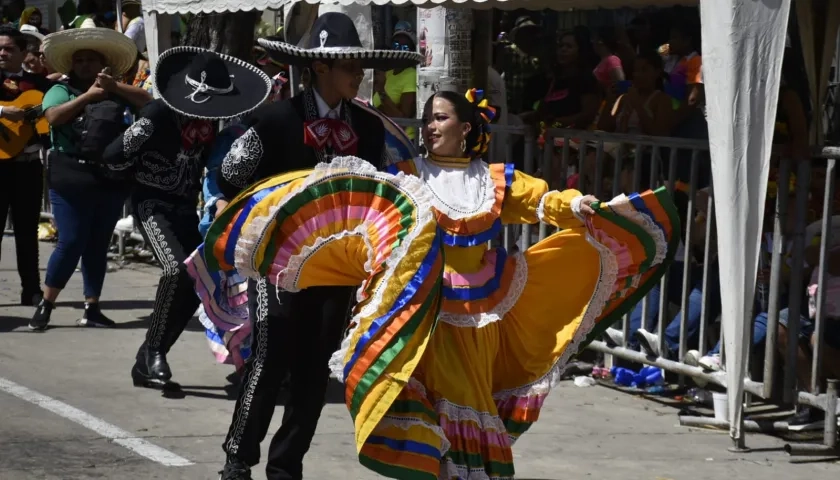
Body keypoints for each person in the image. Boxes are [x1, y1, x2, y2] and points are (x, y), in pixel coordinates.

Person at [189, 86, 678, 479]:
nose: (430, 126)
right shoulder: (404, 176)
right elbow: (369, 217)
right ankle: (250, 460)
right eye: (427, 119)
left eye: (441, 118)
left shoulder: (496, 180)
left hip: (480, 312)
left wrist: (580, 206)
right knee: (417, 401)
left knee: (468, 403)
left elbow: (544, 201)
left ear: (467, 128)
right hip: (421, 310)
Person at [206, 12, 421, 480]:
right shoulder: (274, 118)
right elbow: (231, 176)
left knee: (314, 369)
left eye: (360, 67)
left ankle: (287, 466)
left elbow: (378, 189)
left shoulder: (367, 128)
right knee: (269, 357)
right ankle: (238, 458)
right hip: (279, 264)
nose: (359, 75)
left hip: (339, 267)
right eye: (349, 66)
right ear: (320, 68)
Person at [96, 46, 271, 388]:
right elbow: (113, 157)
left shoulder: (212, 121)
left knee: (197, 280)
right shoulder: (157, 115)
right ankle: (152, 356)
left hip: (184, 208)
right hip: (152, 206)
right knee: (176, 270)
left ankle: (151, 354)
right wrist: (144, 173)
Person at [28, 19, 151, 330]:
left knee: (97, 244)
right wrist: (87, 97)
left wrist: (113, 88)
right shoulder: (59, 89)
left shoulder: (115, 90)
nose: (84, 65)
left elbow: (149, 103)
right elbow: (52, 118)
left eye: (90, 60)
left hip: (111, 177)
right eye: (79, 60)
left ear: (102, 64)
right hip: (70, 175)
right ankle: (47, 303)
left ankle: (92, 307)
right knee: (70, 242)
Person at [0, 26, 54, 307]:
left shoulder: (40, 84)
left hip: (28, 166)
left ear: (23, 53)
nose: (2, 53)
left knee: (26, 230)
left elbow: (51, 112)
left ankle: (31, 290)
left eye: (9, 48)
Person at [373, 21, 417, 139]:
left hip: (401, 140)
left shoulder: (411, 75)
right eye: (396, 45)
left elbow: (402, 121)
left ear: (412, 51)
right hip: (383, 136)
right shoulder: (387, 74)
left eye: (405, 47)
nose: (400, 50)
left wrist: (382, 92)